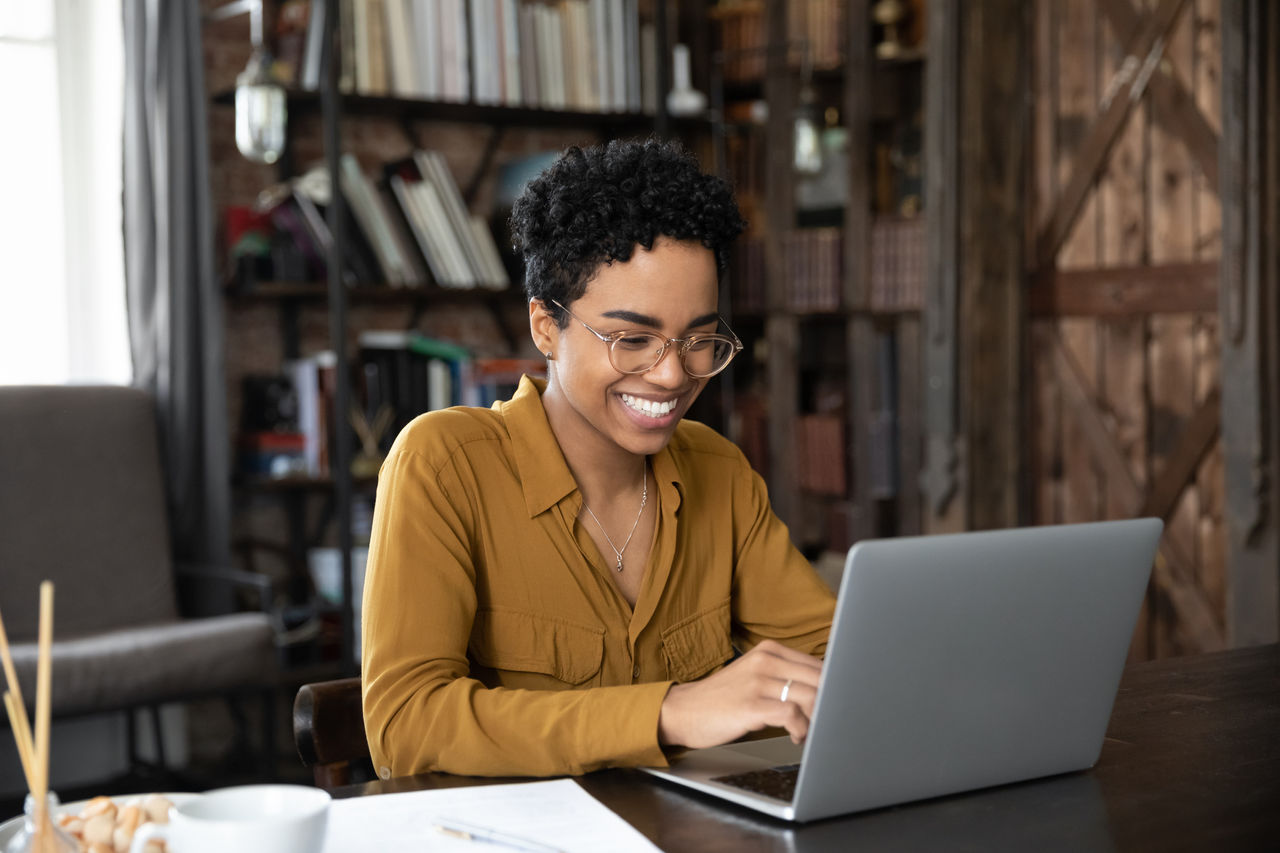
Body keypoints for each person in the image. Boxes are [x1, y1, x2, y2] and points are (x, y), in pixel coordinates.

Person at [361, 138, 836, 778]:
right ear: (545, 327)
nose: (672, 374)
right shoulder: (443, 464)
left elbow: (831, 657)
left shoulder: (718, 472)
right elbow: (405, 727)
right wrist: (670, 712)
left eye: (699, 339)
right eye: (633, 338)